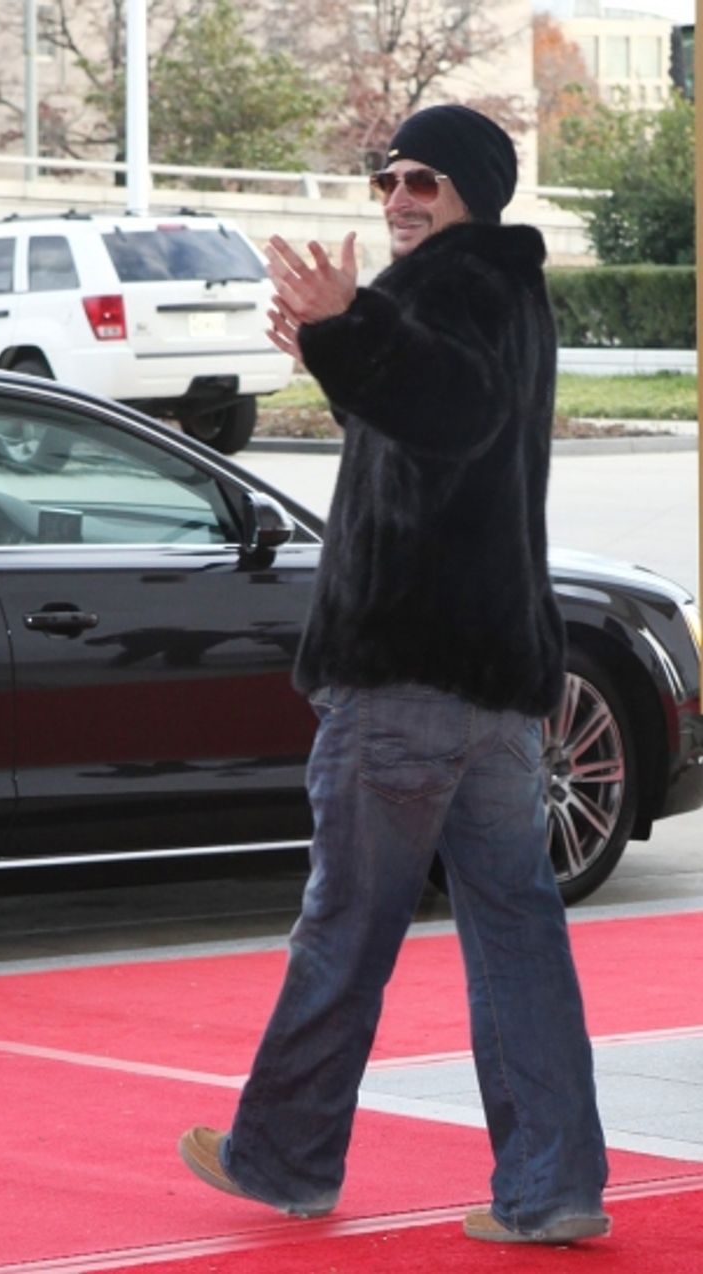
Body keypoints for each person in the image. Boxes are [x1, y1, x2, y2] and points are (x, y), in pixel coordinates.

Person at [177, 104, 611, 1245]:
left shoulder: (441, 287)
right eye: (385, 177)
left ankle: (283, 1153)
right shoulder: (506, 289)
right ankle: (553, 1183)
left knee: (344, 927)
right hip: (494, 680)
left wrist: (346, 327)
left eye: (421, 178)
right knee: (516, 934)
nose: (396, 196)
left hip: (409, 672)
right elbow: (437, 436)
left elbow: (445, 408)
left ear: (472, 186)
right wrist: (341, 339)